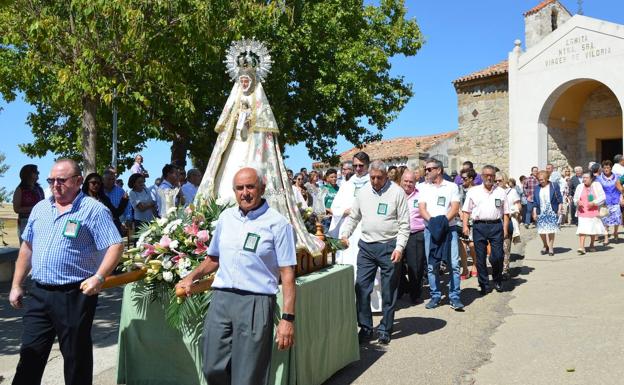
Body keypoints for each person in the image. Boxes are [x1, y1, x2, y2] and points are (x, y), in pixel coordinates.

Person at [176, 167, 296, 385]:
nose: (245, 192)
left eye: (250, 187)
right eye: (239, 188)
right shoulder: (226, 218)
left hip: (256, 302)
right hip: (222, 300)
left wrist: (287, 319)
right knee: (212, 367)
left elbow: (287, 274)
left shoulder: (278, 224)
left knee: (248, 375)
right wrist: (191, 276)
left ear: (262, 188)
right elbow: (214, 258)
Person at [9, 159, 123, 385]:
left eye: (62, 180)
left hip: (74, 294)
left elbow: (115, 245)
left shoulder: (93, 210)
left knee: (75, 357)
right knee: (30, 354)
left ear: (78, 181)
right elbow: (27, 247)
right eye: (51, 180)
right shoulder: (40, 208)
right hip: (39, 293)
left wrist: (99, 277)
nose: (55, 185)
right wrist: (16, 284)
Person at [340, 160, 409, 345]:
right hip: (367, 248)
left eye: (379, 177)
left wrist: (399, 247)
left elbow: (404, 224)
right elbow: (354, 217)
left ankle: (386, 328)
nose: (375, 181)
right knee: (361, 287)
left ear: (386, 176)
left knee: (388, 291)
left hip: (389, 247)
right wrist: (345, 234)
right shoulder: (362, 193)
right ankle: (366, 328)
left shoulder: (397, 192)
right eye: (372, 177)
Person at [418, 158, 463, 310]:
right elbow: (422, 209)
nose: (426, 172)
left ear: (439, 170)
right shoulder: (423, 188)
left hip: (449, 230)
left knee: (454, 264)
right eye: (426, 169)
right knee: (432, 265)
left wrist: (442, 223)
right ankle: (435, 295)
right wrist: (433, 224)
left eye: (429, 169)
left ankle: (455, 296)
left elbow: (455, 208)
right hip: (430, 231)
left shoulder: (452, 187)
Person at [463, 166, 510, 294]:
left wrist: (505, 228)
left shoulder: (501, 192)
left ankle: (497, 280)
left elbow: (506, 212)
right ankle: (484, 284)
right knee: (480, 256)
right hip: (479, 226)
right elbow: (466, 210)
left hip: (496, 226)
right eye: (486, 175)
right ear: (482, 176)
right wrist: (465, 226)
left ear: (495, 177)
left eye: (492, 175)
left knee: (498, 256)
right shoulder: (473, 191)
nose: (489, 177)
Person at [400, 169, 426, 304]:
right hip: (397, 235)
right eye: (406, 181)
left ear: (415, 183)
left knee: (415, 266)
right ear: (401, 181)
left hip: (415, 234)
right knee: (394, 265)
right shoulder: (395, 195)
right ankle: (402, 288)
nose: (408, 184)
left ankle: (415, 294)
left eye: (411, 181)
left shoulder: (421, 196)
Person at [573, 172, 606, 254]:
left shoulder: (596, 185)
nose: (584, 179)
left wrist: (594, 202)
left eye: (586, 177)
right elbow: (575, 198)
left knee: (592, 229)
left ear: (591, 178)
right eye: (583, 177)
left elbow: (603, 197)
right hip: (582, 211)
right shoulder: (580, 186)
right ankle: (581, 247)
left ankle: (592, 245)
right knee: (582, 229)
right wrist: (577, 202)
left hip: (593, 211)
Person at [496, 171, 521, 280]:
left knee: (506, 247)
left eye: (500, 180)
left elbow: (518, 206)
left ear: (505, 180)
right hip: (495, 222)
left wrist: (512, 210)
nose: (497, 182)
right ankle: (497, 268)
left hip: (508, 221)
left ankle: (505, 270)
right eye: (496, 180)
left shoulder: (512, 192)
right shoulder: (494, 192)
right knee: (495, 249)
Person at [532, 170, 563, 256]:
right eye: (539, 179)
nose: (540, 181)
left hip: (551, 210)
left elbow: (559, 198)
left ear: (547, 178)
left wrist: (559, 209)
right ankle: (545, 245)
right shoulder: (537, 187)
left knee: (550, 230)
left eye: (542, 179)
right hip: (540, 211)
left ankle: (551, 247)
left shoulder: (554, 185)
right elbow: (535, 201)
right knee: (541, 231)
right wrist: (534, 212)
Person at [12, 164, 45, 242]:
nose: (38, 173)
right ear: (27, 174)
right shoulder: (20, 189)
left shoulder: (39, 189)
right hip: (25, 221)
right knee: (26, 246)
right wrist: (34, 208)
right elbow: (16, 209)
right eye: (35, 172)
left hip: (39, 220)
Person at [458, 168, 477, 279]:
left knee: (472, 244)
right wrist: (460, 212)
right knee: (463, 245)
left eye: (464, 178)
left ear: (471, 179)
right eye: (462, 178)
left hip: (473, 220)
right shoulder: (458, 189)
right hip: (460, 220)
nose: (462, 180)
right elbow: (456, 202)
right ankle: (465, 269)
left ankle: (475, 265)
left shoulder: (477, 190)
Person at [596, 160, 621, 244]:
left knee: (617, 218)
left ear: (611, 168)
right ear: (602, 169)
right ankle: (606, 237)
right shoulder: (599, 178)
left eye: (608, 167)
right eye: (604, 168)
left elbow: (621, 188)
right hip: (604, 202)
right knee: (605, 220)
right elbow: (595, 190)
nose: (606, 169)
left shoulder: (617, 177)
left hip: (615, 200)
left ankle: (615, 232)